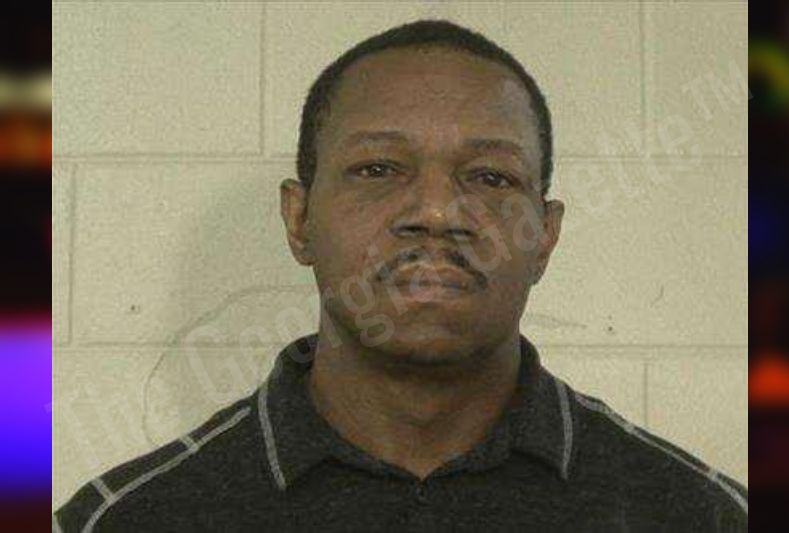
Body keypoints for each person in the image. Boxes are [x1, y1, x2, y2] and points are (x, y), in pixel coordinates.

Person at [54, 19, 747, 532]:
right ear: (298, 220)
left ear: (545, 235)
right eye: (378, 168)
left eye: (490, 177)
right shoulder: (127, 519)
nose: (437, 212)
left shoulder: (701, 515)